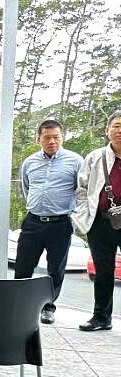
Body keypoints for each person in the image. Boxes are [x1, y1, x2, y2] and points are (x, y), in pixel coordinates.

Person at [16, 120, 84, 325]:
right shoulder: (29, 162)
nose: (52, 141)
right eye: (47, 137)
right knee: (23, 267)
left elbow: (81, 191)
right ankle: (19, 305)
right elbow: (26, 188)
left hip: (60, 223)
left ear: (62, 137)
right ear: (39, 139)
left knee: (55, 269)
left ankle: (48, 308)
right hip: (33, 222)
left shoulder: (75, 161)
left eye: (56, 137)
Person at [73, 110, 121, 332]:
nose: (119, 131)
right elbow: (81, 189)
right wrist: (85, 214)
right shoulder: (95, 157)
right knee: (103, 271)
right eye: (116, 126)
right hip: (101, 222)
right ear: (107, 130)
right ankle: (101, 317)